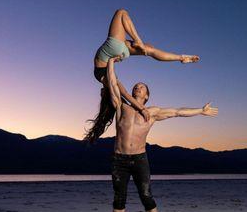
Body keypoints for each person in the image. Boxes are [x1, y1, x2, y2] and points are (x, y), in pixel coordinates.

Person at [104, 55, 218, 212]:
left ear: (146, 95)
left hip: (140, 159)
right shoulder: (121, 107)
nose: (137, 87)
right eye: (136, 86)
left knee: (146, 196)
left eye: (141, 87)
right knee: (119, 197)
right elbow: (113, 83)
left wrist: (200, 110)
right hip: (119, 160)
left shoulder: (153, 113)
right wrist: (111, 62)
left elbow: (177, 111)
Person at [85, 9, 200, 143]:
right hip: (113, 51)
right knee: (125, 19)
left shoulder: (108, 80)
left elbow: (125, 94)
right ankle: (179, 57)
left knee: (147, 46)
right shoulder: (104, 77)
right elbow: (125, 94)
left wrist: (141, 108)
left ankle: (180, 57)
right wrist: (141, 108)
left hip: (114, 51)